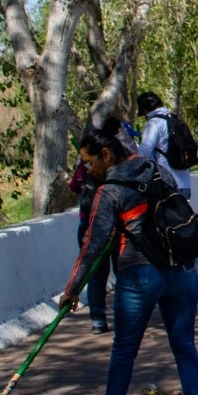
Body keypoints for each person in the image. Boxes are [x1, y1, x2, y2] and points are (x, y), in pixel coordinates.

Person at [60, 117, 198, 395]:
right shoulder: (156, 170)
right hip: (182, 269)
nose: (87, 170)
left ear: (107, 155)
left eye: (89, 162)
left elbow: (92, 245)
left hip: (140, 275)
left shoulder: (108, 192)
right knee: (184, 345)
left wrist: (72, 290)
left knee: (124, 350)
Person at [66, 121, 137, 334]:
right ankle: (99, 317)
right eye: (85, 164)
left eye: (89, 162)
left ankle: (122, 315)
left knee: (119, 269)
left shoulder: (120, 173)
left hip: (114, 226)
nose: (89, 168)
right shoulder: (95, 168)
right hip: (92, 223)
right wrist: (72, 290)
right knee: (98, 272)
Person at [137, 91, 191, 199]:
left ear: (144, 110)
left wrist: (133, 146)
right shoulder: (173, 118)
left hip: (168, 185)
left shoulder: (154, 123)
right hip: (185, 183)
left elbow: (145, 153)